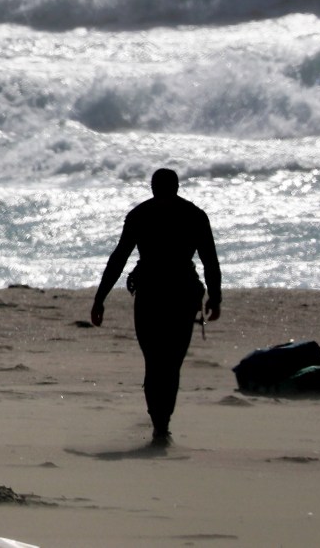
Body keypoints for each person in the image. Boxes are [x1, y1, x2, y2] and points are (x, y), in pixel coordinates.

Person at [90, 168, 222, 444]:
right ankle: (163, 425)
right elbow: (210, 261)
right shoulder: (195, 215)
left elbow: (118, 259)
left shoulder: (140, 215)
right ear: (176, 187)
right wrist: (215, 297)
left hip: (150, 294)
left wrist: (100, 298)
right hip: (182, 294)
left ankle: (158, 423)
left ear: (152, 187)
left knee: (154, 361)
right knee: (172, 363)